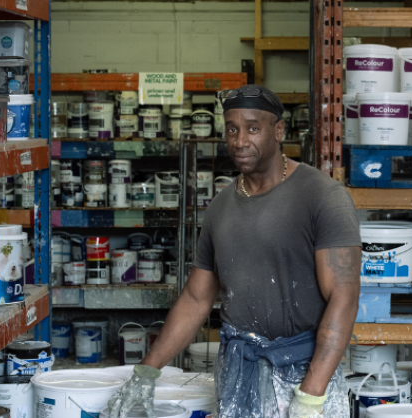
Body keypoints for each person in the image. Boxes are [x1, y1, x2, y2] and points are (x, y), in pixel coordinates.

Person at [103, 85, 362, 418]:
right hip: (240, 372)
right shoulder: (221, 206)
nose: (240, 141)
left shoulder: (322, 196)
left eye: (253, 128)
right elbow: (197, 299)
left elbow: (344, 297)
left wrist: (311, 397)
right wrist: (147, 372)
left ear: (279, 130)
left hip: (305, 373)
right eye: (233, 129)